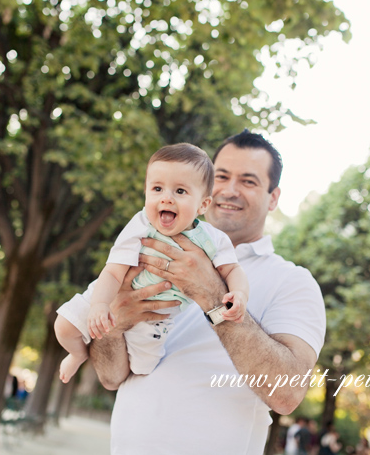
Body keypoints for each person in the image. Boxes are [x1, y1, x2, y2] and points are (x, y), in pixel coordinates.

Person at [89, 130, 326, 455]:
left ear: (273, 197)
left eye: (249, 181)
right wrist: (114, 325)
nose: (229, 190)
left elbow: (287, 393)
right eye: (222, 176)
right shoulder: (147, 252)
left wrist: (212, 293)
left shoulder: (293, 281)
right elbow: (110, 377)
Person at [55, 143, 249, 382]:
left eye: (180, 191)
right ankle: (77, 354)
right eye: (157, 188)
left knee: (142, 368)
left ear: (203, 205)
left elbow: (232, 270)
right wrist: (99, 305)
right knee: (63, 327)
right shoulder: (141, 224)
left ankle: (119, 348)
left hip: (157, 318)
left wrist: (239, 294)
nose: (166, 198)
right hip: (109, 294)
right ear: (146, 193)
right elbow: (113, 272)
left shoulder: (213, 239)